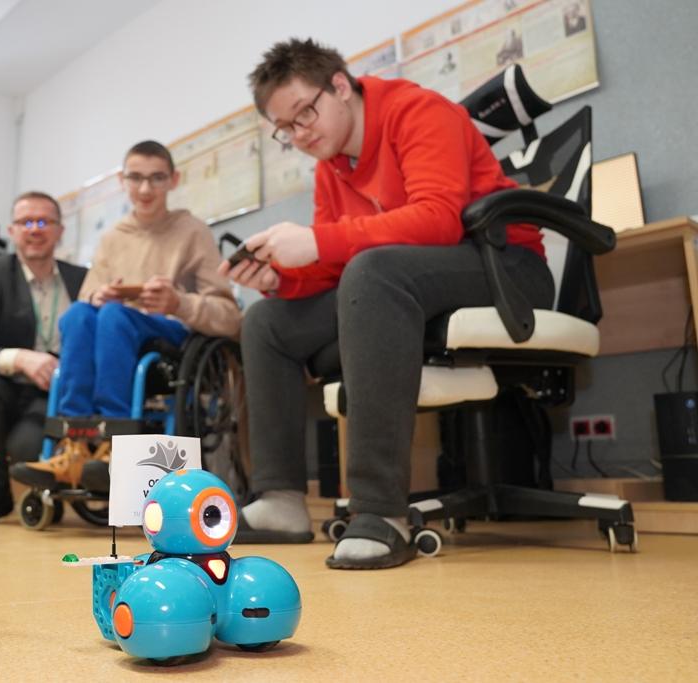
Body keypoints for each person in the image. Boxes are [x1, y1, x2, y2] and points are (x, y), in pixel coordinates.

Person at [220, 38, 553, 568]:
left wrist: (318, 241)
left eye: (305, 113)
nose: (300, 134)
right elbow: (333, 266)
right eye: (286, 128)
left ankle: (381, 512)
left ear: (339, 85)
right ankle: (280, 500)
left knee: (372, 270)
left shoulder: (418, 111)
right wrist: (279, 280)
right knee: (265, 322)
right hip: (405, 285)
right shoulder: (331, 165)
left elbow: (439, 218)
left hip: (504, 267)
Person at [13, 140, 242, 491]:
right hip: (114, 331)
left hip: (168, 337)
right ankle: (73, 446)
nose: (145, 189)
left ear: (173, 180)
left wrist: (178, 302)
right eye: (136, 178)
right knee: (78, 315)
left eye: (157, 178)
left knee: (112, 317)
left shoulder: (192, 231)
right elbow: (87, 301)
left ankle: (115, 444)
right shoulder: (112, 238)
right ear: (123, 181)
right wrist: (98, 295)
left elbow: (228, 316)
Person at [0, 191, 87, 523]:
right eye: (26, 222)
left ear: (60, 231)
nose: (35, 229)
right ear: (12, 231)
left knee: (26, 451)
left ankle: (47, 491)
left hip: (54, 393)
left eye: (44, 221)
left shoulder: (81, 279)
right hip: (6, 386)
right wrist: (22, 359)